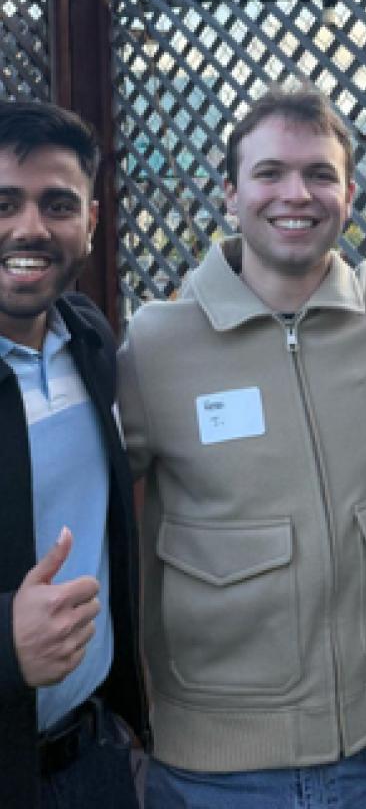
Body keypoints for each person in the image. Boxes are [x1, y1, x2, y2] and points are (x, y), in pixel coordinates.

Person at [117, 83, 366, 808]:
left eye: (319, 174)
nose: (295, 194)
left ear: (347, 193)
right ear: (230, 194)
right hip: (218, 770)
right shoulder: (154, 346)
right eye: (270, 173)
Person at [0, 100, 148, 809]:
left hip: (93, 756)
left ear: (90, 224)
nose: (29, 228)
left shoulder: (88, 339)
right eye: (4, 203)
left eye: (57, 204)